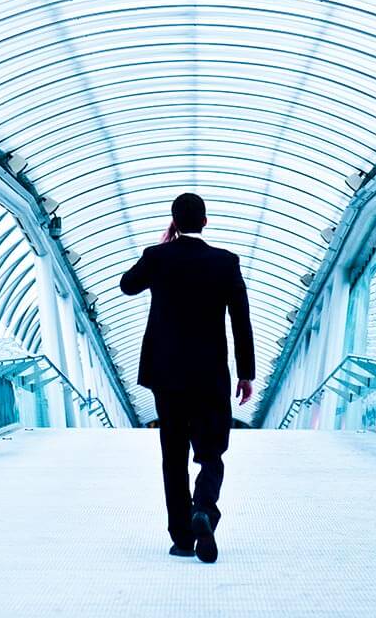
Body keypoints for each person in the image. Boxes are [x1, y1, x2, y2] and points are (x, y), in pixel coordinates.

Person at [120, 192, 255, 564]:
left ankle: (181, 538)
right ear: (206, 222)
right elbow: (241, 322)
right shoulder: (226, 263)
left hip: (166, 375)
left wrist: (162, 249)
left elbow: (127, 285)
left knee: (173, 455)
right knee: (211, 452)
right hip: (210, 376)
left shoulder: (157, 257)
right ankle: (204, 508)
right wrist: (245, 373)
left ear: (174, 222)